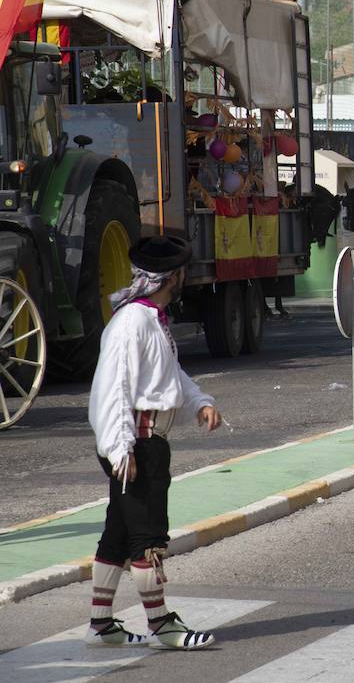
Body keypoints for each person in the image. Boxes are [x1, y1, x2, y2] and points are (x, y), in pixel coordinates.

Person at [86, 236, 223, 649]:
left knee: (117, 534)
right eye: (183, 273)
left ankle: (100, 624)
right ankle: (162, 625)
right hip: (137, 445)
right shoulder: (133, 322)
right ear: (173, 276)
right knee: (147, 537)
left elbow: (168, 375)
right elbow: (114, 388)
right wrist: (119, 448)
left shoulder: (152, 318)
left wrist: (199, 402)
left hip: (146, 443)